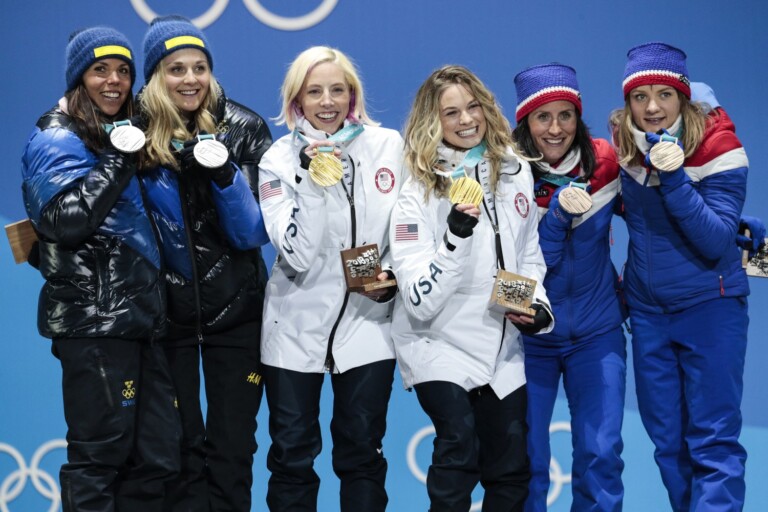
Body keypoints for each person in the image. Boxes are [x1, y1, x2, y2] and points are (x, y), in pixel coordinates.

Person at [20, 27, 180, 511]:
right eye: (100, 70)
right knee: (99, 459)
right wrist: (118, 159)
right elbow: (63, 222)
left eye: (123, 71)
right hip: (95, 324)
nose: (114, 81)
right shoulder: (55, 137)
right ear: (79, 79)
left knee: (155, 458)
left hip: (136, 322)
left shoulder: (113, 133)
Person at [390, 64, 553, 512]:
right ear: (433, 121)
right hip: (436, 342)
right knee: (458, 447)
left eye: (473, 106)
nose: (466, 120)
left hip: (501, 347)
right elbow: (419, 302)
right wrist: (455, 237)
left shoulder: (515, 169)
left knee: (511, 470)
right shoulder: (418, 186)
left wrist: (538, 307)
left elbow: (528, 255)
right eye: (451, 113)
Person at [258, 46, 404, 511]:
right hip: (294, 326)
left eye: (337, 90)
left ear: (352, 95)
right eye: (314, 91)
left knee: (363, 452)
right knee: (292, 456)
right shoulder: (277, 160)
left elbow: (411, 229)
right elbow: (297, 254)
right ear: (296, 99)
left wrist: (394, 275)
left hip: (368, 325)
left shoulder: (389, 147)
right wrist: (311, 181)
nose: (327, 102)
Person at [137, 15, 272, 512]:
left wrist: (222, 173)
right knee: (178, 451)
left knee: (233, 450)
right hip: (165, 319)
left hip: (237, 317)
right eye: (176, 69)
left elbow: (251, 232)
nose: (190, 79)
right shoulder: (131, 135)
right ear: (156, 76)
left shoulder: (245, 127)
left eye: (200, 67)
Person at [615, 42, 750, 511]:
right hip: (649, 316)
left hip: (710, 306)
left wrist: (674, 178)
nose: (652, 107)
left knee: (712, 441)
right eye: (640, 96)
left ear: (683, 97)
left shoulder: (720, 146)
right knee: (668, 444)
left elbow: (714, 240)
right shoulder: (625, 148)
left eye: (664, 95)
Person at [511, 64, 627, 511]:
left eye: (566, 115)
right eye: (543, 117)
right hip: (526, 339)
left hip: (597, 335)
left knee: (601, 456)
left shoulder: (605, 162)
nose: (556, 128)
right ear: (525, 122)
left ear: (579, 117)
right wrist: (557, 218)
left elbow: (653, 218)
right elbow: (512, 264)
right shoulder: (506, 173)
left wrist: (730, 229)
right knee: (525, 461)